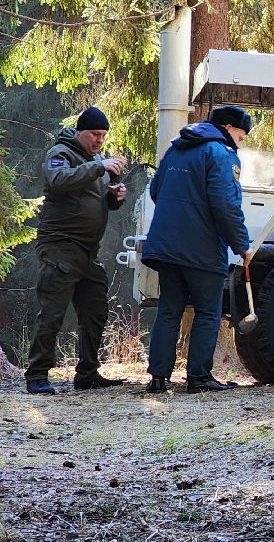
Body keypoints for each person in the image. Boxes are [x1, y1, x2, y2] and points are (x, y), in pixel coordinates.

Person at [143, 105, 254, 394]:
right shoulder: (220, 153)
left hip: (166, 246)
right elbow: (226, 204)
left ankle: (158, 377)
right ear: (229, 128)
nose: (239, 143)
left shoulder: (175, 150)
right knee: (208, 311)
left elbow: (156, 191)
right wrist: (242, 245)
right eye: (241, 136)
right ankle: (199, 377)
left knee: (169, 309)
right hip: (201, 249)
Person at [25, 106, 129, 395]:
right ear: (79, 132)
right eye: (95, 134)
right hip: (60, 248)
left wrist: (113, 198)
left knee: (96, 308)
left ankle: (87, 373)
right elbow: (58, 182)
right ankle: (36, 375)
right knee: (52, 313)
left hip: (87, 252)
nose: (99, 140)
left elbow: (87, 200)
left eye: (103, 135)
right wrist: (99, 167)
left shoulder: (92, 160)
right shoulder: (61, 153)